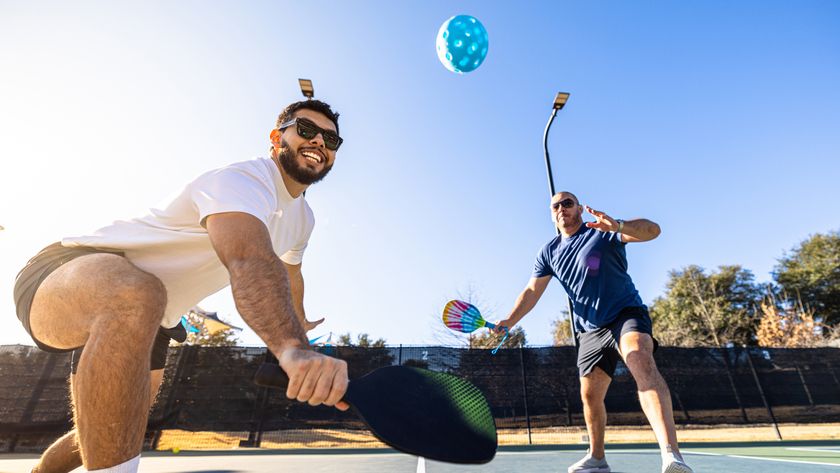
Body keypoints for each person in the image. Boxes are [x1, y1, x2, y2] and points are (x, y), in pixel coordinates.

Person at [13, 99, 349, 473]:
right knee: (139, 297)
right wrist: (291, 347)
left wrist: (299, 320)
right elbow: (248, 258)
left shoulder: (303, 220)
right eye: (306, 130)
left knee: (115, 418)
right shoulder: (243, 180)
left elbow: (290, 271)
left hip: (155, 316)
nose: (319, 142)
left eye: (331, 140)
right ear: (276, 138)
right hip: (67, 271)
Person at [494, 191, 693, 473]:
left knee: (639, 358)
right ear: (551, 214)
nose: (561, 208)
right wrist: (509, 320)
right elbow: (532, 290)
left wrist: (619, 225)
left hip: (625, 314)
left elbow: (653, 231)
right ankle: (597, 459)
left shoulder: (601, 231)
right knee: (589, 395)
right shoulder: (548, 252)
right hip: (589, 329)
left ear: (579, 208)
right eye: (555, 206)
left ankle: (672, 455)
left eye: (567, 203)